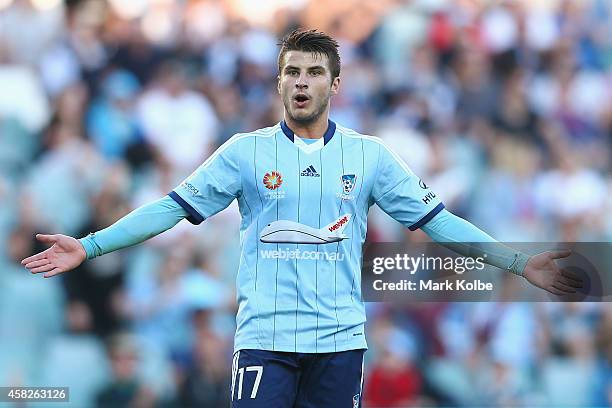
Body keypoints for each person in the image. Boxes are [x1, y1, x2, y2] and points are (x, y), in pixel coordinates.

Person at [22, 29, 583, 407]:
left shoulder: (370, 156)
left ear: (334, 84)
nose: (300, 81)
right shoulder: (244, 151)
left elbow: (437, 221)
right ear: (279, 80)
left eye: (314, 72)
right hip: (264, 338)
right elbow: (170, 207)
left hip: (339, 343)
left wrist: (516, 260)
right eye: (291, 71)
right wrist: (90, 246)